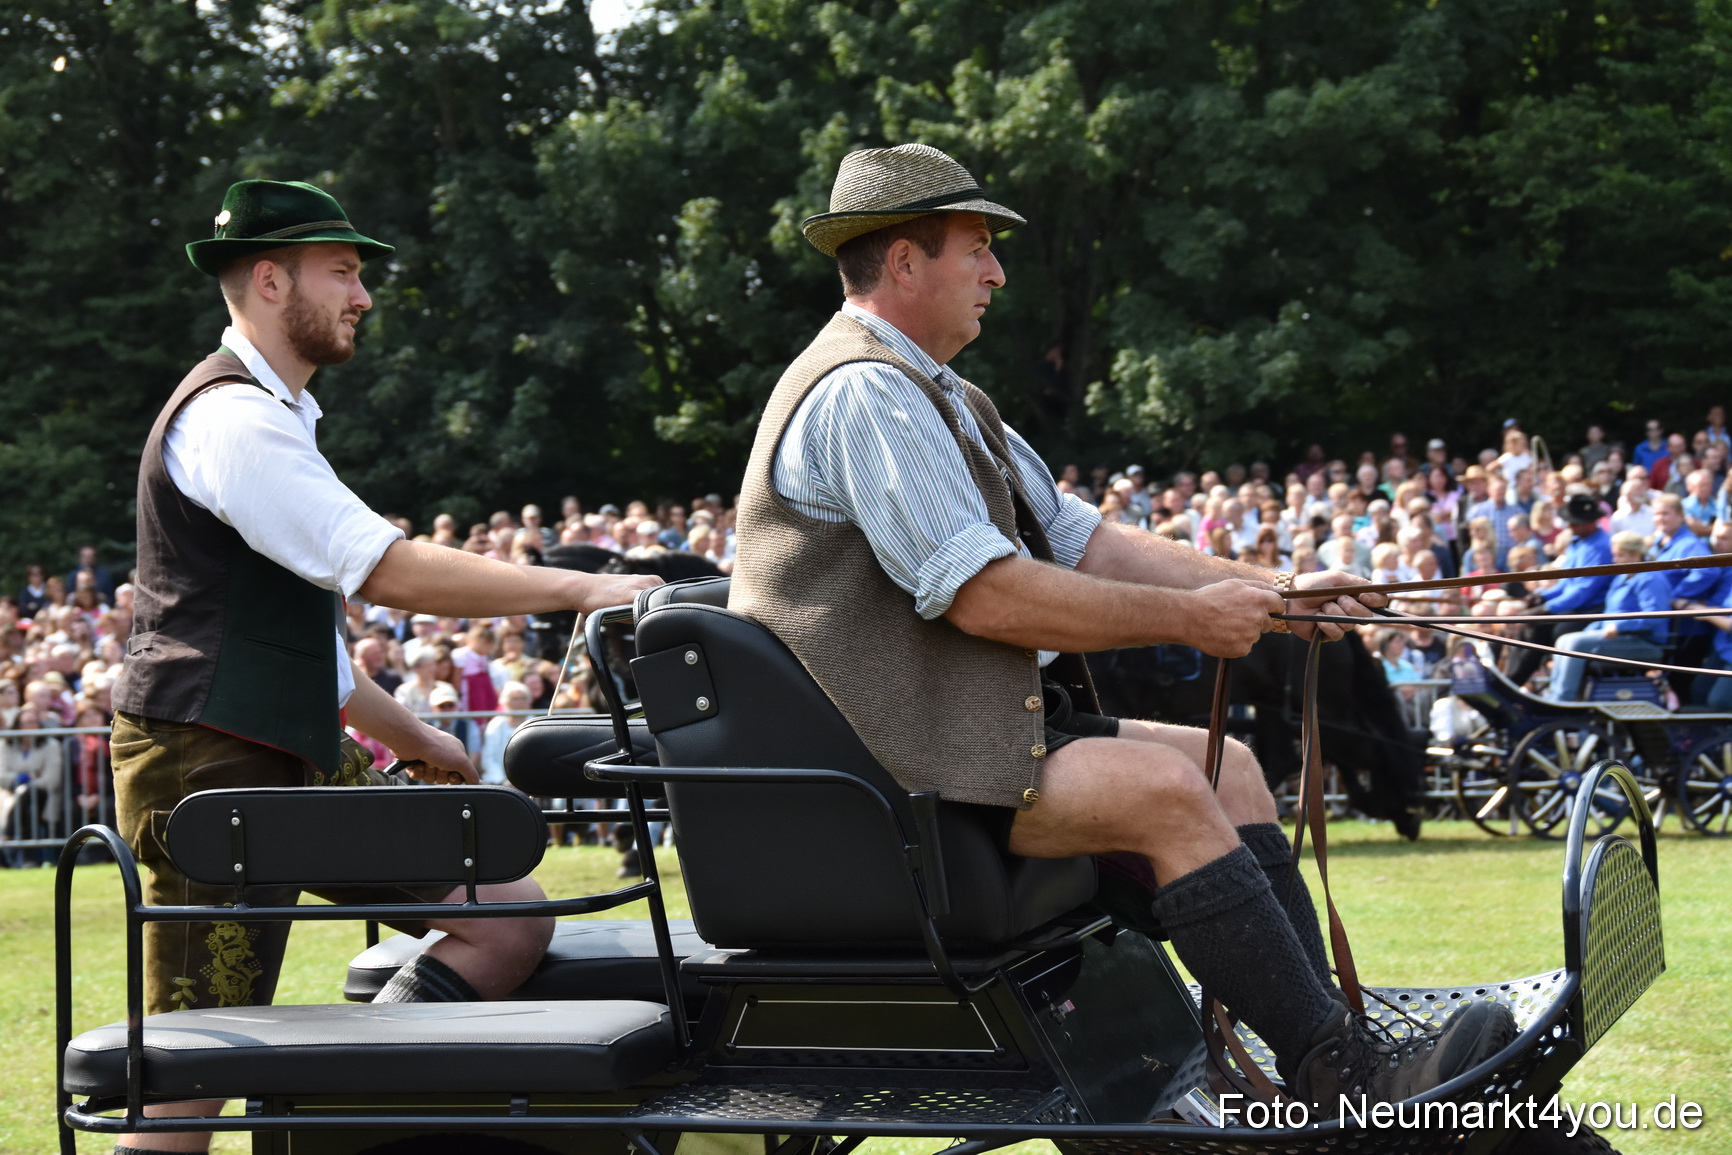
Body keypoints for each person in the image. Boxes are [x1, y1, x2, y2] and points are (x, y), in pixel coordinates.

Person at [730, 143, 1512, 1108]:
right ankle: (1337, 1072)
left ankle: (1322, 1051)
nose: (997, 271)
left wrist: (1283, 592)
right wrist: (1192, 617)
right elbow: (987, 594)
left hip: (955, 742)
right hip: (885, 778)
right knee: (1165, 786)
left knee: (1228, 765)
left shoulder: (942, 394)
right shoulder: (863, 392)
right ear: (903, 260)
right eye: (977, 246)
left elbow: (1083, 542)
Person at [109, 179, 660, 1152]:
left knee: (506, 918)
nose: (364, 296)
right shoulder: (232, 421)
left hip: (287, 752)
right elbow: (386, 568)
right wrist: (579, 589)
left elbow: (300, 644)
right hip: (205, 765)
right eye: (346, 272)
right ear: (272, 281)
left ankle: (344, 1105)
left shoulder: (280, 417)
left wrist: (413, 734)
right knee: (188, 1077)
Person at [1506, 492, 1614, 690]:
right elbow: (1567, 583)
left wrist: (1548, 608)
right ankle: (1509, 678)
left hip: (1593, 609)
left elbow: (1584, 591)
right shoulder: (1577, 543)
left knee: (1543, 628)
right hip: (1575, 605)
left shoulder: (1601, 547)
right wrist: (1541, 596)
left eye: (1576, 523)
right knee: (1527, 625)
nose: (1571, 526)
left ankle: (1517, 683)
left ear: (1591, 522)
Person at [1546, 533, 1672, 700]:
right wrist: (1592, 629)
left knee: (1575, 644)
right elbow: (1609, 612)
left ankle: (1563, 698)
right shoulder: (1621, 578)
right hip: (1618, 637)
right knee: (1564, 640)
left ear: (1635, 555)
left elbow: (1655, 616)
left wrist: (1621, 626)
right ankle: (1554, 692)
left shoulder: (1650, 579)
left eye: (1619, 555)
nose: (1614, 560)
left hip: (1644, 641)